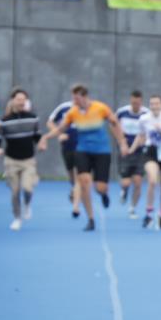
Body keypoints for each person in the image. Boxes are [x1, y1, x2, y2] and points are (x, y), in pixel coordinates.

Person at [49, 83, 129, 232]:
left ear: (85, 97)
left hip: (101, 151)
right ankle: (91, 219)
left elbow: (114, 123)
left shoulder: (101, 108)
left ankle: (103, 193)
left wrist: (122, 142)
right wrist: (46, 137)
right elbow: (61, 128)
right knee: (84, 182)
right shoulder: (73, 112)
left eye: (77, 98)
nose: (74, 102)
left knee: (99, 187)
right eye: (73, 99)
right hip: (83, 150)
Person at [0, 88, 46, 231]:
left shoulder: (32, 117)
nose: (21, 102)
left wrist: (41, 143)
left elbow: (37, 136)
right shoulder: (4, 121)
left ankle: (27, 204)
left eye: (24, 99)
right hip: (11, 160)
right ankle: (17, 218)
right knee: (15, 191)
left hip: (28, 160)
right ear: (13, 101)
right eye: (18, 99)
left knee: (28, 188)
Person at [128, 95, 161, 230]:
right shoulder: (144, 119)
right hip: (151, 151)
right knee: (152, 180)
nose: (154, 106)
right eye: (152, 104)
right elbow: (141, 135)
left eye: (157, 104)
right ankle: (149, 213)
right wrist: (131, 149)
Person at [46, 98, 82, 218]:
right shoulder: (64, 108)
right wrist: (59, 134)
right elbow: (50, 122)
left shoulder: (87, 108)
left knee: (79, 176)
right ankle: (74, 189)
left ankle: (76, 207)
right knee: (72, 175)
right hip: (67, 147)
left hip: (82, 147)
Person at [116, 90, 149, 218]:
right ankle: (124, 190)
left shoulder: (146, 114)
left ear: (141, 102)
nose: (135, 105)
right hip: (125, 150)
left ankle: (132, 208)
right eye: (133, 102)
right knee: (126, 182)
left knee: (138, 182)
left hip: (140, 152)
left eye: (137, 103)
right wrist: (121, 142)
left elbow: (147, 132)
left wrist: (142, 142)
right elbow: (113, 126)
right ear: (130, 101)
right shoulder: (122, 113)